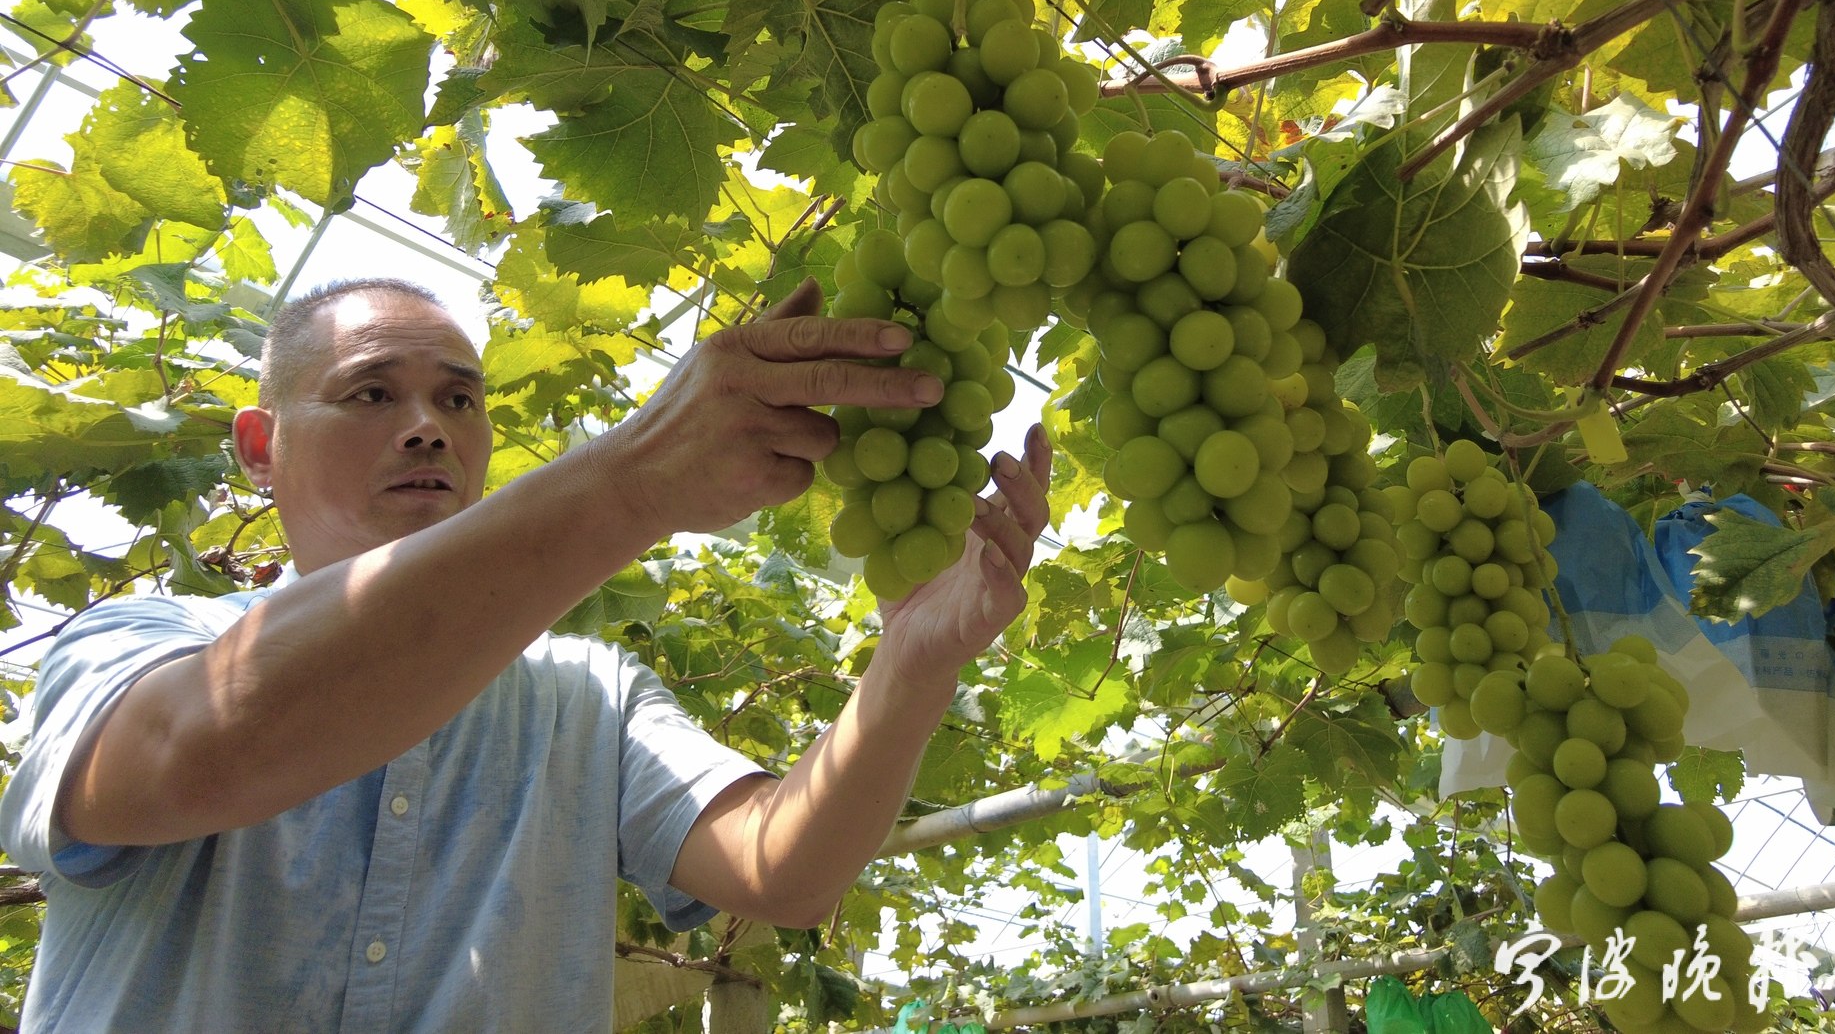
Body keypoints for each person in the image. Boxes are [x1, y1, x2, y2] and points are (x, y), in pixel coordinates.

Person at [0, 276, 1050, 1032]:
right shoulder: (140, 642)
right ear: (259, 445)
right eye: (372, 393)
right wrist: (633, 480)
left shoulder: (585, 694)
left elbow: (783, 869)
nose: (428, 427)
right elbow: (203, 751)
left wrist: (913, 663)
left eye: (459, 399)